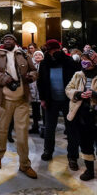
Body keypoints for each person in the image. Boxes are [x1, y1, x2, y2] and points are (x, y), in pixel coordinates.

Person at [0, 33, 38, 179]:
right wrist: (5, 79)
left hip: (22, 99)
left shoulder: (23, 54)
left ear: (15, 42)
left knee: (22, 134)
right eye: (5, 39)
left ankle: (25, 164)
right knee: (2, 129)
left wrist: (31, 76)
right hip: (4, 99)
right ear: (2, 42)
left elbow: (34, 70)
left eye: (11, 39)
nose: (8, 41)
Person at [37, 39, 80, 169]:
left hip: (69, 100)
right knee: (49, 128)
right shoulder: (44, 63)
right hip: (51, 100)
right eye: (50, 51)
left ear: (59, 49)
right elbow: (41, 82)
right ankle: (48, 151)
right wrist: (43, 99)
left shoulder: (69, 61)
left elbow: (78, 80)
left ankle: (73, 157)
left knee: (72, 129)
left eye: (55, 50)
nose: (52, 53)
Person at [65, 51, 97, 181]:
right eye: (82, 60)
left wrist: (94, 94)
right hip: (82, 113)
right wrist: (78, 94)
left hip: (95, 112)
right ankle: (89, 170)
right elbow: (68, 88)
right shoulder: (78, 74)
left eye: (87, 60)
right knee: (85, 141)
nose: (84, 62)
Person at [29, 50, 44, 135]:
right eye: (36, 55)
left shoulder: (45, 65)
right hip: (33, 89)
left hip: (42, 90)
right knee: (34, 110)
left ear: (42, 57)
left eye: (39, 55)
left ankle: (45, 127)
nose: (38, 56)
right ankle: (35, 126)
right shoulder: (31, 66)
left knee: (44, 111)